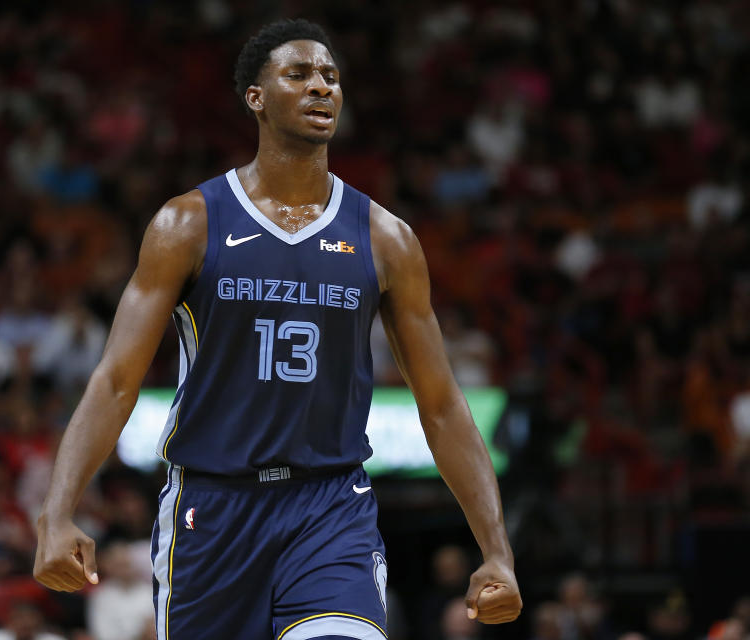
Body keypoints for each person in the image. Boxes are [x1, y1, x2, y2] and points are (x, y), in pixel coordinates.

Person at [34, 18, 522, 640]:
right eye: (299, 74)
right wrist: (57, 512)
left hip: (329, 506)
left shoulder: (386, 238)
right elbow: (114, 381)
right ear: (256, 97)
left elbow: (444, 406)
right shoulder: (188, 224)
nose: (321, 87)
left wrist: (496, 550)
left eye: (331, 77)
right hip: (210, 509)